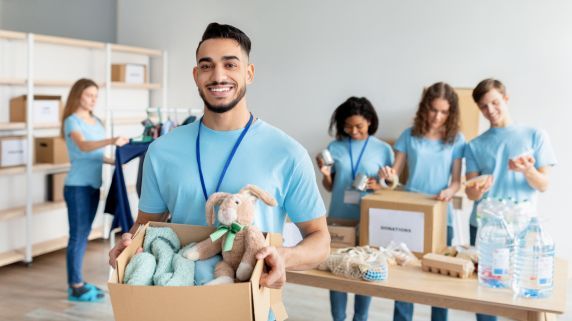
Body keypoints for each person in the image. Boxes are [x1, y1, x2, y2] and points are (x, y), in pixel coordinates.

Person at [108, 22, 330, 292]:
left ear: (249, 73)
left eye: (230, 64)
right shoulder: (162, 150)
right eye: (206, 65)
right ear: (196, 75)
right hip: (175, 301)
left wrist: (282, 256)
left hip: (249, 305)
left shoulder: (288, 153)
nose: (218, 75)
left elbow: (320, 240)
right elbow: (145, 227)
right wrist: (127, 248)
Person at [464, 79, 556, 321]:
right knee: (486, 295)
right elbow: (469, 192)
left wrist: (527, 171)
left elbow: (544, 184)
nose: (490, 110)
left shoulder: (535, 136)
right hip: (485, 227)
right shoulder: (474, 145)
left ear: (506, 98)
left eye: (495, 102)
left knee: (526, 294)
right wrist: (479, 189)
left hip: (523, 228)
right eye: (484, 107)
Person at [379, 82, 465, 321]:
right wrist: (388, 177)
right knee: (407, 277)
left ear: (451, 113)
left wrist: (450, 190)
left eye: (444, 112)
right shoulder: (409, 135)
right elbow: (395, 175)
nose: (437, 116)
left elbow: (457, 181)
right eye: (433, 109)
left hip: (441, 214)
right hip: (411, 214)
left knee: (440, 280)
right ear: (425, 107)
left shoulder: (456, 139)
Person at [317, 96, 394, 321]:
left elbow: (389, 187)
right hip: (339, 217)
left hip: (368, 220)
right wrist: (325, 176)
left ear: (369, 121)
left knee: (366, 271)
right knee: (338, 271)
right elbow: (330, 187)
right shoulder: (334, 147)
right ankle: (338, 318)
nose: (353, 131)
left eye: (358, 126)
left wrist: (378, 185)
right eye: (348, 126)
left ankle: (361, 318)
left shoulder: (383, 150)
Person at [61, 78, 128, 302]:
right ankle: (76, 286)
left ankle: (78, 281)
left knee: (83, 235)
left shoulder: (96, 121)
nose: (93, 100)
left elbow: (96, 155)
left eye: (95, 96)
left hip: (92, 187)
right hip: (77, 187)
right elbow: (83, 146)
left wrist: (119, 159)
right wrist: (111, 140)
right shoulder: (72, 122)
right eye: (89, 95)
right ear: (78, 95)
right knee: (78, 237)